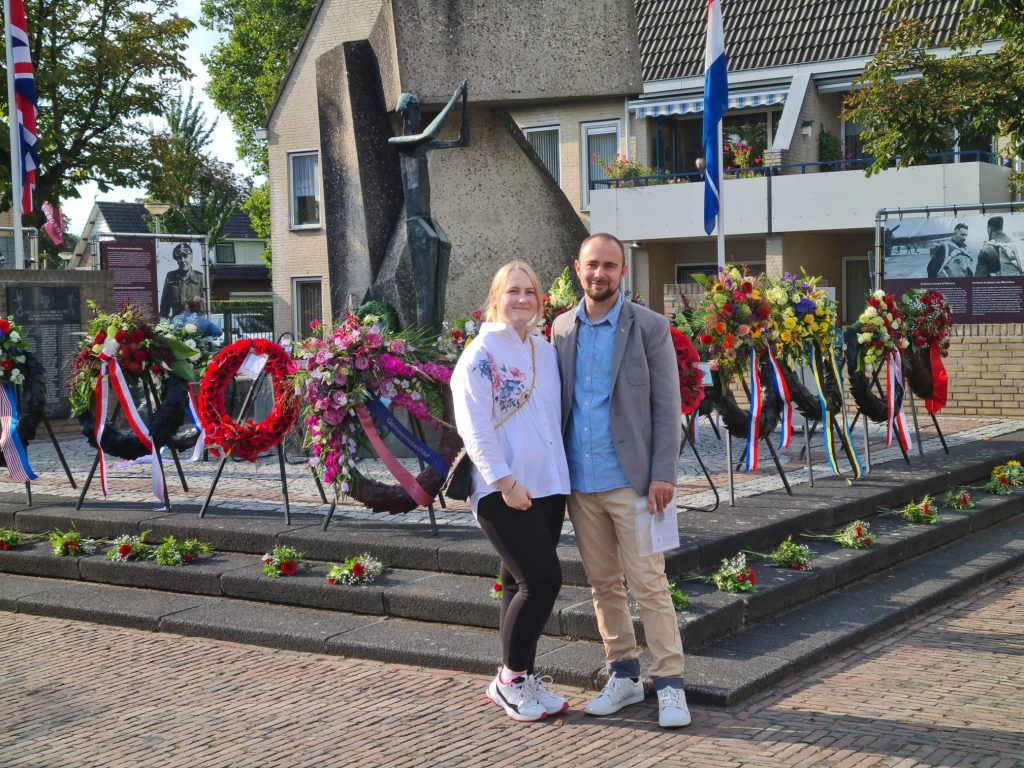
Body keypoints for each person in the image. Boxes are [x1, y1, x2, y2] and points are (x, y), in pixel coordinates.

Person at [550, 232, 690, 729]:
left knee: (649, 583)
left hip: (634, 484)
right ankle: (625, 676)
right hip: (580, 485)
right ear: (577, 268)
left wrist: (663, 474)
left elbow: (666, 407)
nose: (600, 274)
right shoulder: (561, 329)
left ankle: (670, 683)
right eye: (592, 265)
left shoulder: (649, 327)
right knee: (603, 584)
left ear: (622, 272)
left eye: (610, 265)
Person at [451, 261, 571, 723]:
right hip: (504, 487)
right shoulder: (479, 355)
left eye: (530, 292)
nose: (523, 299)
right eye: (513, 291)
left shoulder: (544, 350)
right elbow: (474, 426)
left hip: (549, 485)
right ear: (495, 297)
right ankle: (508, 680)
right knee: (543, 581)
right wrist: (504, 481)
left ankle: (522, 679)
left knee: (517, 584)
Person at [160, 243, 205, 318]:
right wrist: (163, 325)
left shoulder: (200, 277)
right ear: (176, 260)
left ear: (191, 258)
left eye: (185, 256)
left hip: (195, 323)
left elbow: (204, 305)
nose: (182, 260)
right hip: (176, 323)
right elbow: (164, 305)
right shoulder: (170, 276)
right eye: (179, 258)